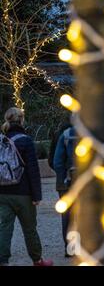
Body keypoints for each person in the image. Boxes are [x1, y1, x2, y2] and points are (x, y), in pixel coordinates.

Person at [0, 107, 53, 266]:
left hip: (3, 192)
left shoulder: (2, 140)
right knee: (29, 229)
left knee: (4, 228)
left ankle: (3, 261)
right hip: (24, 194)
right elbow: (32, 170)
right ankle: (37, 260)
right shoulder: (26, 140)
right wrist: (37, 196)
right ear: (21, 119)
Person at [53, 123, 77, 257]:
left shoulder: (64, 134)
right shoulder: (90, 133)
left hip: (66, 183)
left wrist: (63, 179)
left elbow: (56, 161)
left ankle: (71, 248)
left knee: (67, 215)